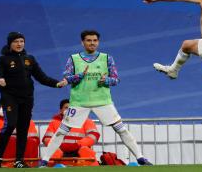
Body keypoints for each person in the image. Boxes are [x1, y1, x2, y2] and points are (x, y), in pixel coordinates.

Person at [40, 30, 152, 166]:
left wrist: (106, 81)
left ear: (98, 42)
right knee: (61, 131)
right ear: (82, 42)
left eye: (95, 40)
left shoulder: (107, 58)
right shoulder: (73, 58)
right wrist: (79, 76)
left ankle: (140, 158)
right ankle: (44, 160)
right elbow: (67, 78)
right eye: (88, 40)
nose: (92, 43)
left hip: (102, 101)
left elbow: (116, 80)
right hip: (79, 102)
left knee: (121, 129)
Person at [0, 32, 67, 168]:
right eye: (16, 41)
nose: (19, 44)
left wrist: (57, 83)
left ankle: (19, 161)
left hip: (27, 98)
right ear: (10, 43)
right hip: (10, 97)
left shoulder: (29, 59)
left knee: (23, 128)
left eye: (21, 41)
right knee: (10, 125)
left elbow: (41, 77)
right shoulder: (2, 58)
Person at [42, 99, 100, 166]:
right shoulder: (54, 122)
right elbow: (47, 139)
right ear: (61, 110)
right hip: (60, 150)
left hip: (79, 149)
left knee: (85, 151)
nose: (69, 110)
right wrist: (57, 145)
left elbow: (94, 135)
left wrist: (79, 144)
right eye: (66, 108)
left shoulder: (86, 121)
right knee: (53, 151)